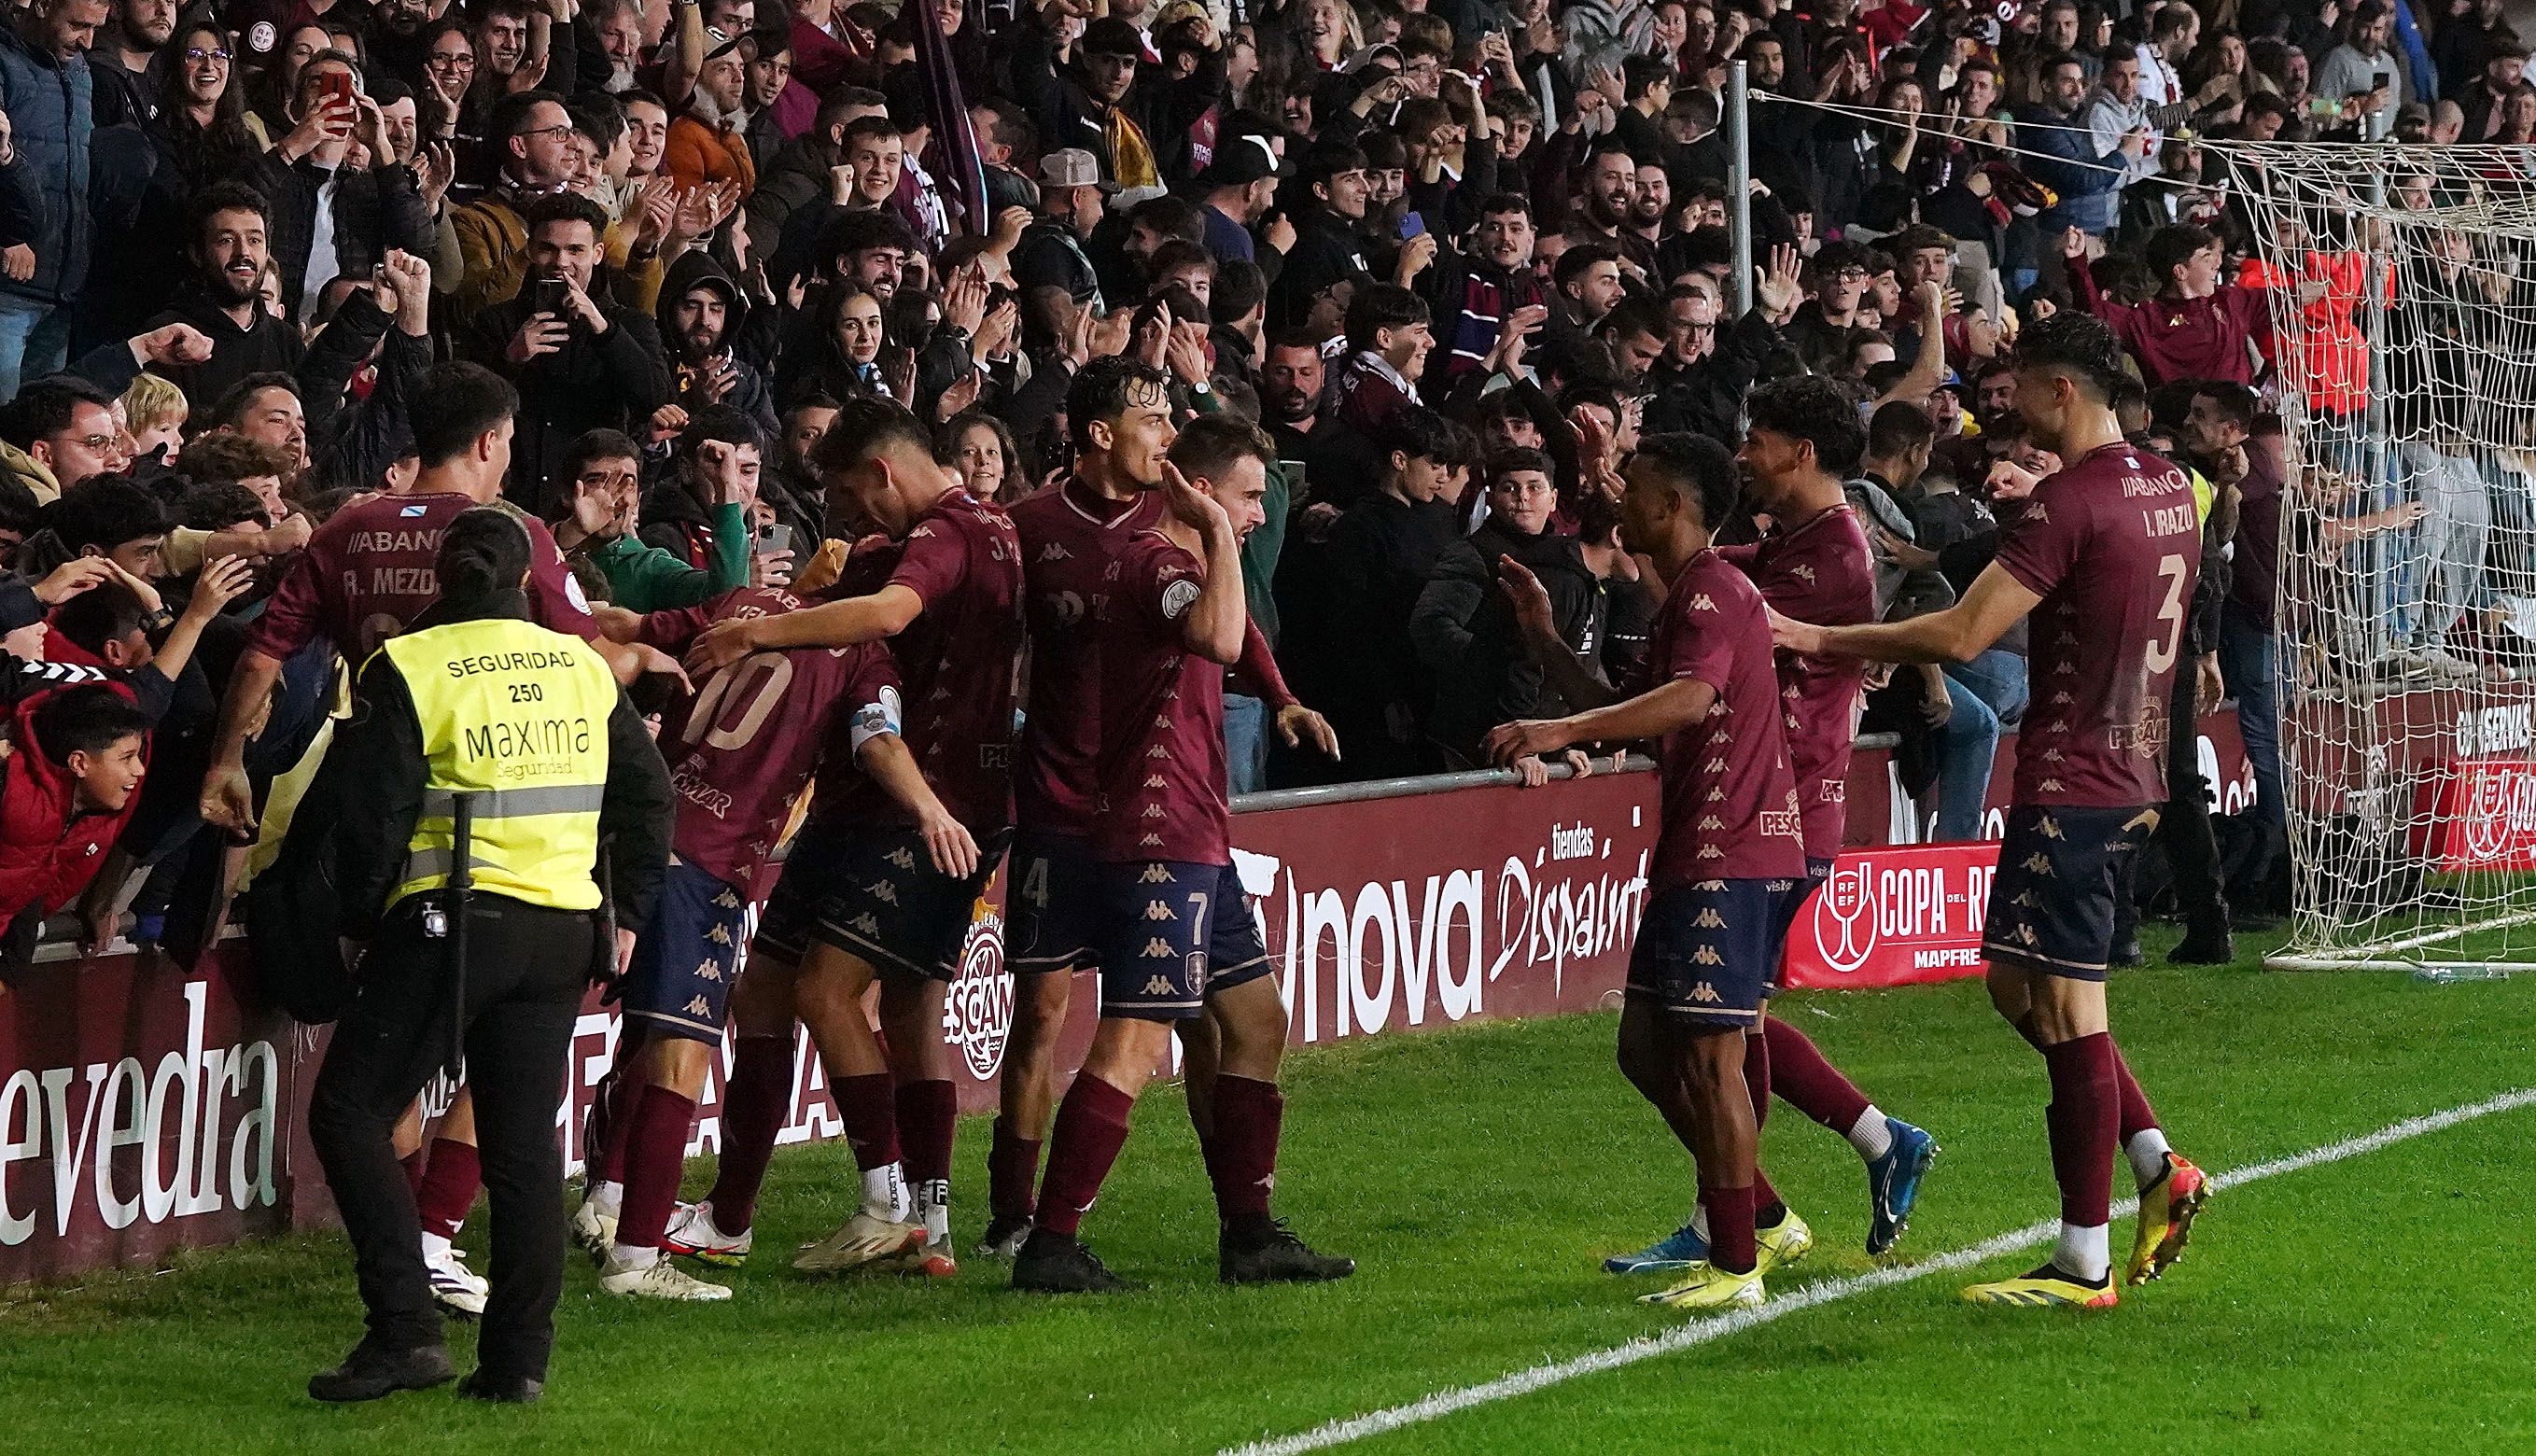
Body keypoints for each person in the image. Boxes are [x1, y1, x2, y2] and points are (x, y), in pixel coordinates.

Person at [1769, 313, 2210, 1308]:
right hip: (2129, 768)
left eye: (2017, 390)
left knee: (2062, 1006)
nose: (2002, 409)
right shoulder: (2167, 486)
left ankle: (2081, 1262)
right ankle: (2155, 1164)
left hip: (2078, 780)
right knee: (2016, 989)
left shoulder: (2067, 500)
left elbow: (1966, 634)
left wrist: (1816, 637)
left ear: (2064, 391)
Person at [302, 508, 672, 1404]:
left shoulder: (411, 666)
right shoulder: (581, 664)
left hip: (450, 919)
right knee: (521, 1150)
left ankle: (404, 1332)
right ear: (527, 580)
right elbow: (648, 794)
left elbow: (373, 814)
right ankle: (516, 1365)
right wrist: (627, 917)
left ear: (443, 577)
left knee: (350, 1113)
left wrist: (360, 919)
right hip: (559, 931)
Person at [678, 396, 1022, 1279]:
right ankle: (766, 1216)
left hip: (923, 807)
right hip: (863, 805)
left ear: (881, 471)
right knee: (803, 995)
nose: (848, 517)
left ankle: (887, 1204)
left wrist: (757, 629)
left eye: (848, 495)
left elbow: (886, 617)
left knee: (829, 995)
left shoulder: (951, 530)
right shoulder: (958, 535)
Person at [1014, 406, 1353, 1294]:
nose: (1257, 516)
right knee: (1136, 1034)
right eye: (1246, 499)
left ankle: (1249, 1231)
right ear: (1200, 493)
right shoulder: (1160, 564)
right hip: (1155, 836)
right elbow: (1214, 636)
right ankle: (1049, 1242)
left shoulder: (1182, 562)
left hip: (1192, 830)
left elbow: (1238, 646)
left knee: (1254, 1021)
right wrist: (1214, 537)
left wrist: (1277, 693)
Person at [1485, 432, 1811, 1311]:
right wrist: (1544, 638)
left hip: (1729, 854)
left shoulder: (1710, 590)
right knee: (1644, 1051)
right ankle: (1766, 1214)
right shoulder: (1686, 598)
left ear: (1669, 508)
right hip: (1696, 853)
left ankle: (1736, 1265)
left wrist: (1553, 735)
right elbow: (1620, 713)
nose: (1617, 508)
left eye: (1633, 495)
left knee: (1710, 1060)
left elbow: (1689, 700)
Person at [578, 582, 970, 1300]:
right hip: (708, 855)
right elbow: (877, 740)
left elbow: (626, 625)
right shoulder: (864, 655)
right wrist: (932, 812)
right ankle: (633, 1260)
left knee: (632, 1036)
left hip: (625, 828)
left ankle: (607, 1199)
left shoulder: (740, 602)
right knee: (679, 1057)